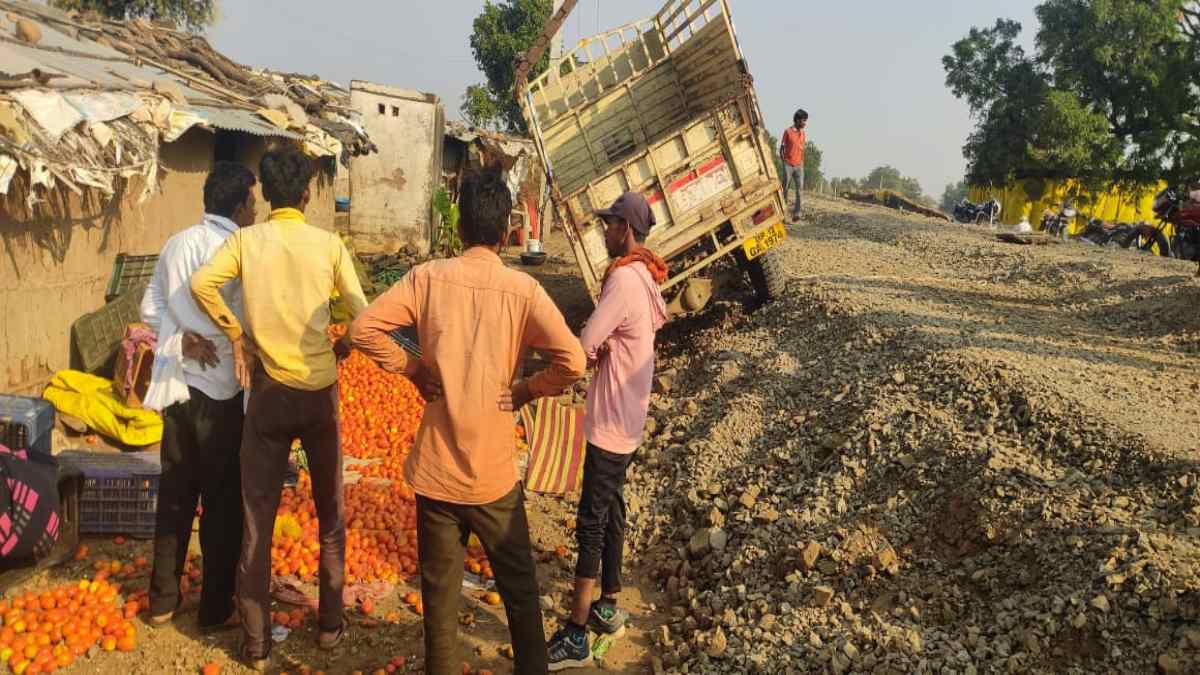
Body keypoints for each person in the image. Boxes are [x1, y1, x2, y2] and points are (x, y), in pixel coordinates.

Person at [350, 170, 586, 675]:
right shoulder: (522, 290)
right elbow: (573, 360)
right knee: (520, 595)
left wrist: (414, 368)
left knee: (439, 602)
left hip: (437, 474)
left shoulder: (426, 278)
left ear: (459, 229)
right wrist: (526, 389)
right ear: (506, 233)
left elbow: (362, 328)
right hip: (493, 478)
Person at [190, 147, 368, 670]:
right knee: (330, 515)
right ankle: (331, 625)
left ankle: (256, 643)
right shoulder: (328, 244)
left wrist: (238, 335)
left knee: (257, 519)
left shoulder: (246, 241)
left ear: (265, 195)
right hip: (318, 396)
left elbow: (203, 285)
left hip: (267, 396)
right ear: (309, 193)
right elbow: (362, 312)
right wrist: (345, 345)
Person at [546, 192, 667, 670]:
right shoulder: (643, 276)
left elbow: (586, 344)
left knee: (591, 521)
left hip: (611, 423)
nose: (604, 232)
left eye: (609, 225)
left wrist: (546, 380)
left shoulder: (623, 282)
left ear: (627, 230)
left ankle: (576, 632)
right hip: (628, 420)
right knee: (613, 509)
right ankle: (610, 603)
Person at [139, 161, 258, 632]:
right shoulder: (237, 250)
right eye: (252, 201)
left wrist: (180, 339)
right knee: (222, 502)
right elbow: (251, 316)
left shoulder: (176, 243)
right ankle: (215, 607)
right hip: (222, 394)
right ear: (239, 205)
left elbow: (150, 307)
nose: (255, 209)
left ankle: (163, 600)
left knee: (175, 493)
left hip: (177, 388)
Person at [780, 108, 809, 223]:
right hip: (788, 164)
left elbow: (802, 149)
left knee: (799, 190)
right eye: (803, 120)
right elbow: (782, 148)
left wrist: (801, 162)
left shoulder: (803, 134)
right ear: (797, 120)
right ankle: (782, 214)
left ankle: (797, 213)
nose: (805, 123)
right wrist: (784, 161)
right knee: (785, 189)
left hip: (799, 165)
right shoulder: (787, 132)